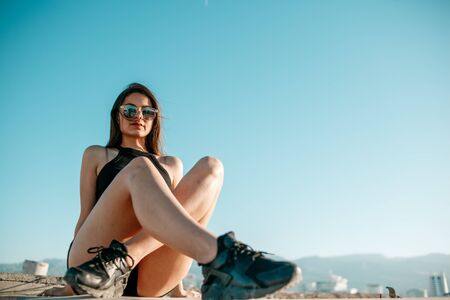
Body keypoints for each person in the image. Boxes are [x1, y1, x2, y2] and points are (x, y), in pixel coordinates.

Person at [61, 83, 301, 299]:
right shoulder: (96, 154)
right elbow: (85, 215)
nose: (139, 116)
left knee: (212, 167)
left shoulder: (171, 165)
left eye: (148, 112)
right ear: (117, 116)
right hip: (94, 264)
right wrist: (70, 281)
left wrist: (178, 288)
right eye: (130, 110)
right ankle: (223, 259)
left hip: (149, 275)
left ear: (155, 119)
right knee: (140, 167)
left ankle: (131, 257)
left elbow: (178, 223)